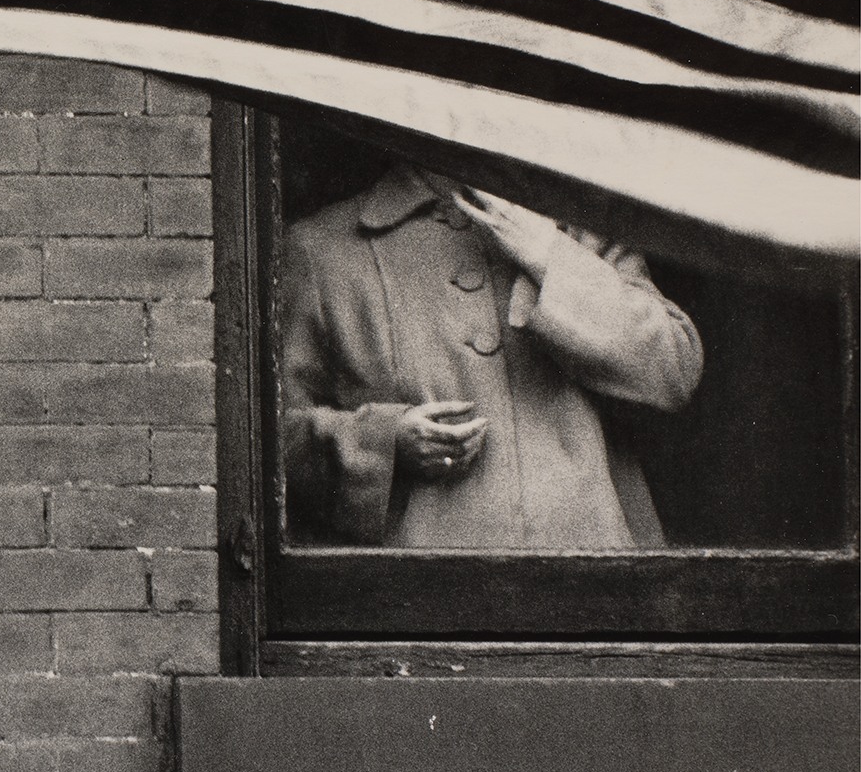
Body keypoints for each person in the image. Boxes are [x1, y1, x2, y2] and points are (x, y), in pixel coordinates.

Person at [278, 163, 703, 550]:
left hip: (594, 577)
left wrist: (550, 256)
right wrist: (385, 441)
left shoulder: (581, 226)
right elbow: (270, 436)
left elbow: (674, 368)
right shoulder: (323, 248)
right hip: (421, 591)